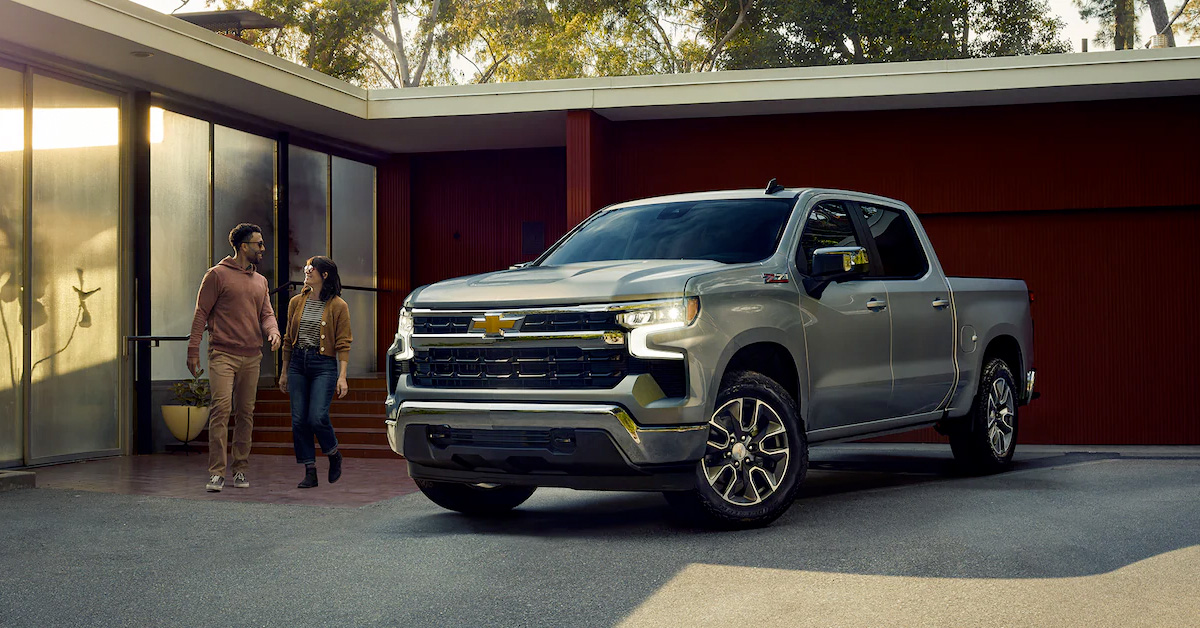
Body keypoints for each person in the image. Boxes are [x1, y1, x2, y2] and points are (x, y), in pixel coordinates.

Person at [188, 223, 281, 492]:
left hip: (252, 356)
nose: (263, 248)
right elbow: (200, 313)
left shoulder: (260, 281)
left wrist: (273, 332)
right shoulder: (216, 275)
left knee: (246, 414)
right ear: (243, 246)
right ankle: (217, 472)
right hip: (222, 354)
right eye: (258, 244)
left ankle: (240, 469)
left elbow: (266, 313)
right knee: (221, 410)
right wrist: (193, 349)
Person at [278, 256, 351, 488]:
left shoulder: (339, 305)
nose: (306, 271)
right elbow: (288, 339)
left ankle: (333, 453)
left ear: (324, 275)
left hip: (324, 366)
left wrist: (342, 376)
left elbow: (343, 343)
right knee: (299, 419)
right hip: (298, 363)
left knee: (317, 417)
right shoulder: (296, 302)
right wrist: (284, 371)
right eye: (306, 268)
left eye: (312, 268)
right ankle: (310, 470)